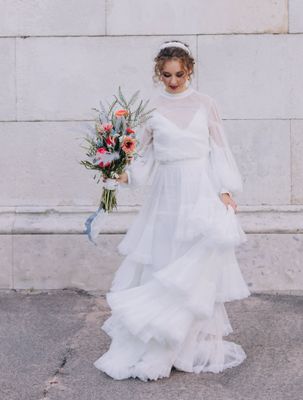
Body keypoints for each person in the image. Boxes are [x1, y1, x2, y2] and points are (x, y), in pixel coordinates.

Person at [93, 40, 251, 381]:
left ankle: (187, 346)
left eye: (180, 74)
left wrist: (225, 190)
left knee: (194, 270)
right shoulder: (151, 109)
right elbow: (142, 158)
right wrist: (116, 172)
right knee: (165, 263)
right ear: (158, 74)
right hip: (166, 193)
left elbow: (219, 150)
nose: (174, 81)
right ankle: (160, 344)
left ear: (189, 70)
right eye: (167, 75)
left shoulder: (206, 104)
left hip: (200, 189)